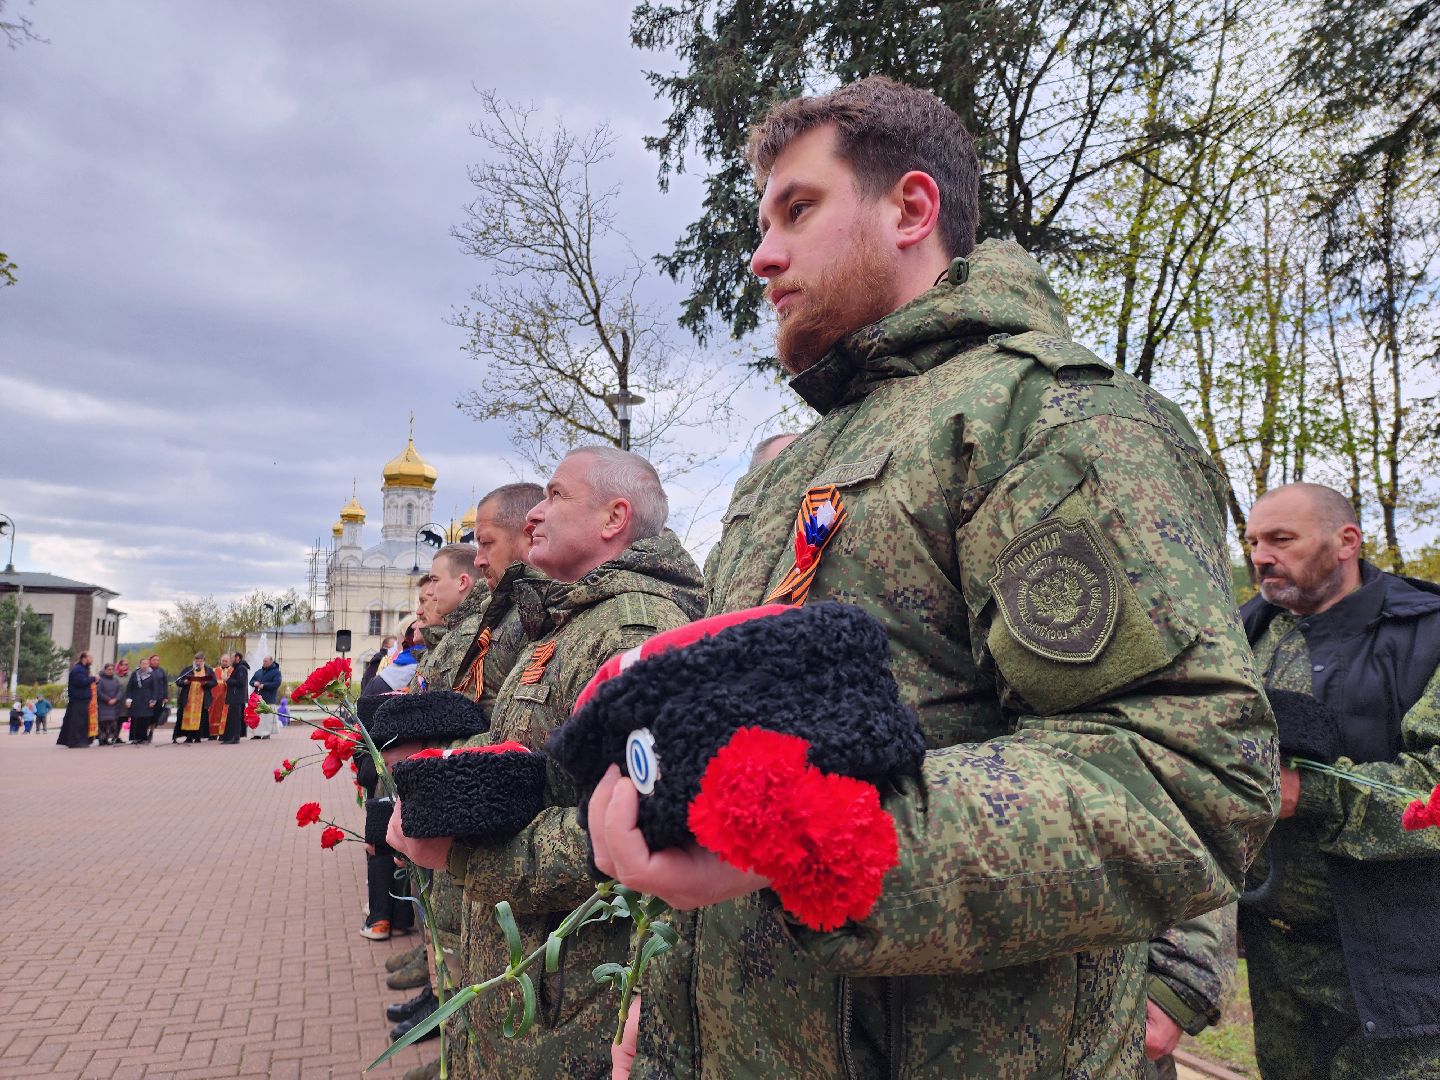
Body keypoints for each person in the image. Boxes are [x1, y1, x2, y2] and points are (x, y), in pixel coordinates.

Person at [585, 76, 1277, 1079]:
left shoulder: (1048, 421)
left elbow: (1190, 774)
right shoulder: (796, 470)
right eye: (763, 218)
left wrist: (821, 846)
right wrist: (668, 1023)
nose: (761, 254)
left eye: (799, 208)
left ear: (911, 208)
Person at [389, 446, 706, 1080]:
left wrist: (464, 851)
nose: (534, 513)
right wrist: (440, 788)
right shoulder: (570, 622)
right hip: (529, 986)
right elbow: (527, 749)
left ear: (614, 518)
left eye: (556, 496)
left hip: (574, 1000)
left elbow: (647, 822)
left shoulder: (634, 632)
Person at [1236, 482, 1440, 1079]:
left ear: (1346, 540)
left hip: (1402, 962)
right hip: (1277, 956)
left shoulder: (1426, 632)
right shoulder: (1242, 636)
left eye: (1281, 539)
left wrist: (1309, 793)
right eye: (1252, 541)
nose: (1260, 555)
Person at [174, 653, 216, 745]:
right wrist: (184, 682)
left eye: (200, 660)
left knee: (200, 718)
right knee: (187, 718)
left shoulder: (208, 670)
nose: (198, 662)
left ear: (203, 661)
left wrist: (206, 683)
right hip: (189, 698)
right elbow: (178, 681)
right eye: (197, 660)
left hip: (202, 699)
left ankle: (198, 737)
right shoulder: (188, 669)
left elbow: (214, 682)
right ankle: (188, 737)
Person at [57, 652, 97, 748]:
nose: (92, 660)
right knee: (78, 722)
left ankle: (81, 740)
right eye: (90, 657)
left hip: (83, 698)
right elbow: (81, 682)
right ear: (84, 658)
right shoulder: (78, 669)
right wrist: (93, 678)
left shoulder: (84, 669)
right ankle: (76, 741)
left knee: (81, 722)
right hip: (78, 699)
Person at [124, 657, 164, 744]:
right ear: (140, 664)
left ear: (148, 664)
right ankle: (134, 738)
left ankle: (143, 738)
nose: (145, 665)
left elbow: (155, 688)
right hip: (136, 699)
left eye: (146, 664)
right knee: (135, 719)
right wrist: (128, 699)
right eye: (143, 664)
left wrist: (153, 699)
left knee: (145, 719)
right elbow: (130, 687)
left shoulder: (152, 674)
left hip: (147, 700)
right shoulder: (135, 674)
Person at [248, 655, 282, 739]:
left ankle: (267, 734)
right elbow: (251, 681)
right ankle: (257, 734)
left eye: (266, 661)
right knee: (257, 717)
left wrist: (264, 686)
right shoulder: (259, 671)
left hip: (269, 698)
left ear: (271, 661)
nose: (264, 663)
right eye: (263, 661)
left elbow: (276, 683)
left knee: (267, 718)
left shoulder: (276, 672)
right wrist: (254, 683)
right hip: (257, 698)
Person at [220, 652, 249, 743]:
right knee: (232, 718)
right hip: (235, 697)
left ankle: (235, 738)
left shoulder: (241, 668)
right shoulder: (238, 667)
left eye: (232, 657)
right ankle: (230, 737)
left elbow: (241, 683)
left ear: (237, 658)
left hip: (237, 697)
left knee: (235, 719)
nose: (230, 659)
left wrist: (227, 679)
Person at [95, 662, 123, 745]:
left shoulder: (115, 680)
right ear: (105, 670)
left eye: (112, 669)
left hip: (113, 705)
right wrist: (108, 700)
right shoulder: (100, 680)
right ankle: (101, 739)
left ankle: (108, 738)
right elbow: (99, 692)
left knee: (112, 723)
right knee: (103, 723)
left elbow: (119, 691)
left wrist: (116, 699)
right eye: (109, 669)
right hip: (103, 705)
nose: (110, 671)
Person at [146, 655, 170, 737]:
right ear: (150, 660)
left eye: (158, 660)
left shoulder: (161, 671)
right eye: (154, 660)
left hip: (159, 696)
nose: (156, 662)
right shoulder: (146, 670)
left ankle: (151, 732)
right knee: (147, 716)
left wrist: (166, 697)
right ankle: (144, 731)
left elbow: (165, 684)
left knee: (155, 716)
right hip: (147, 697)